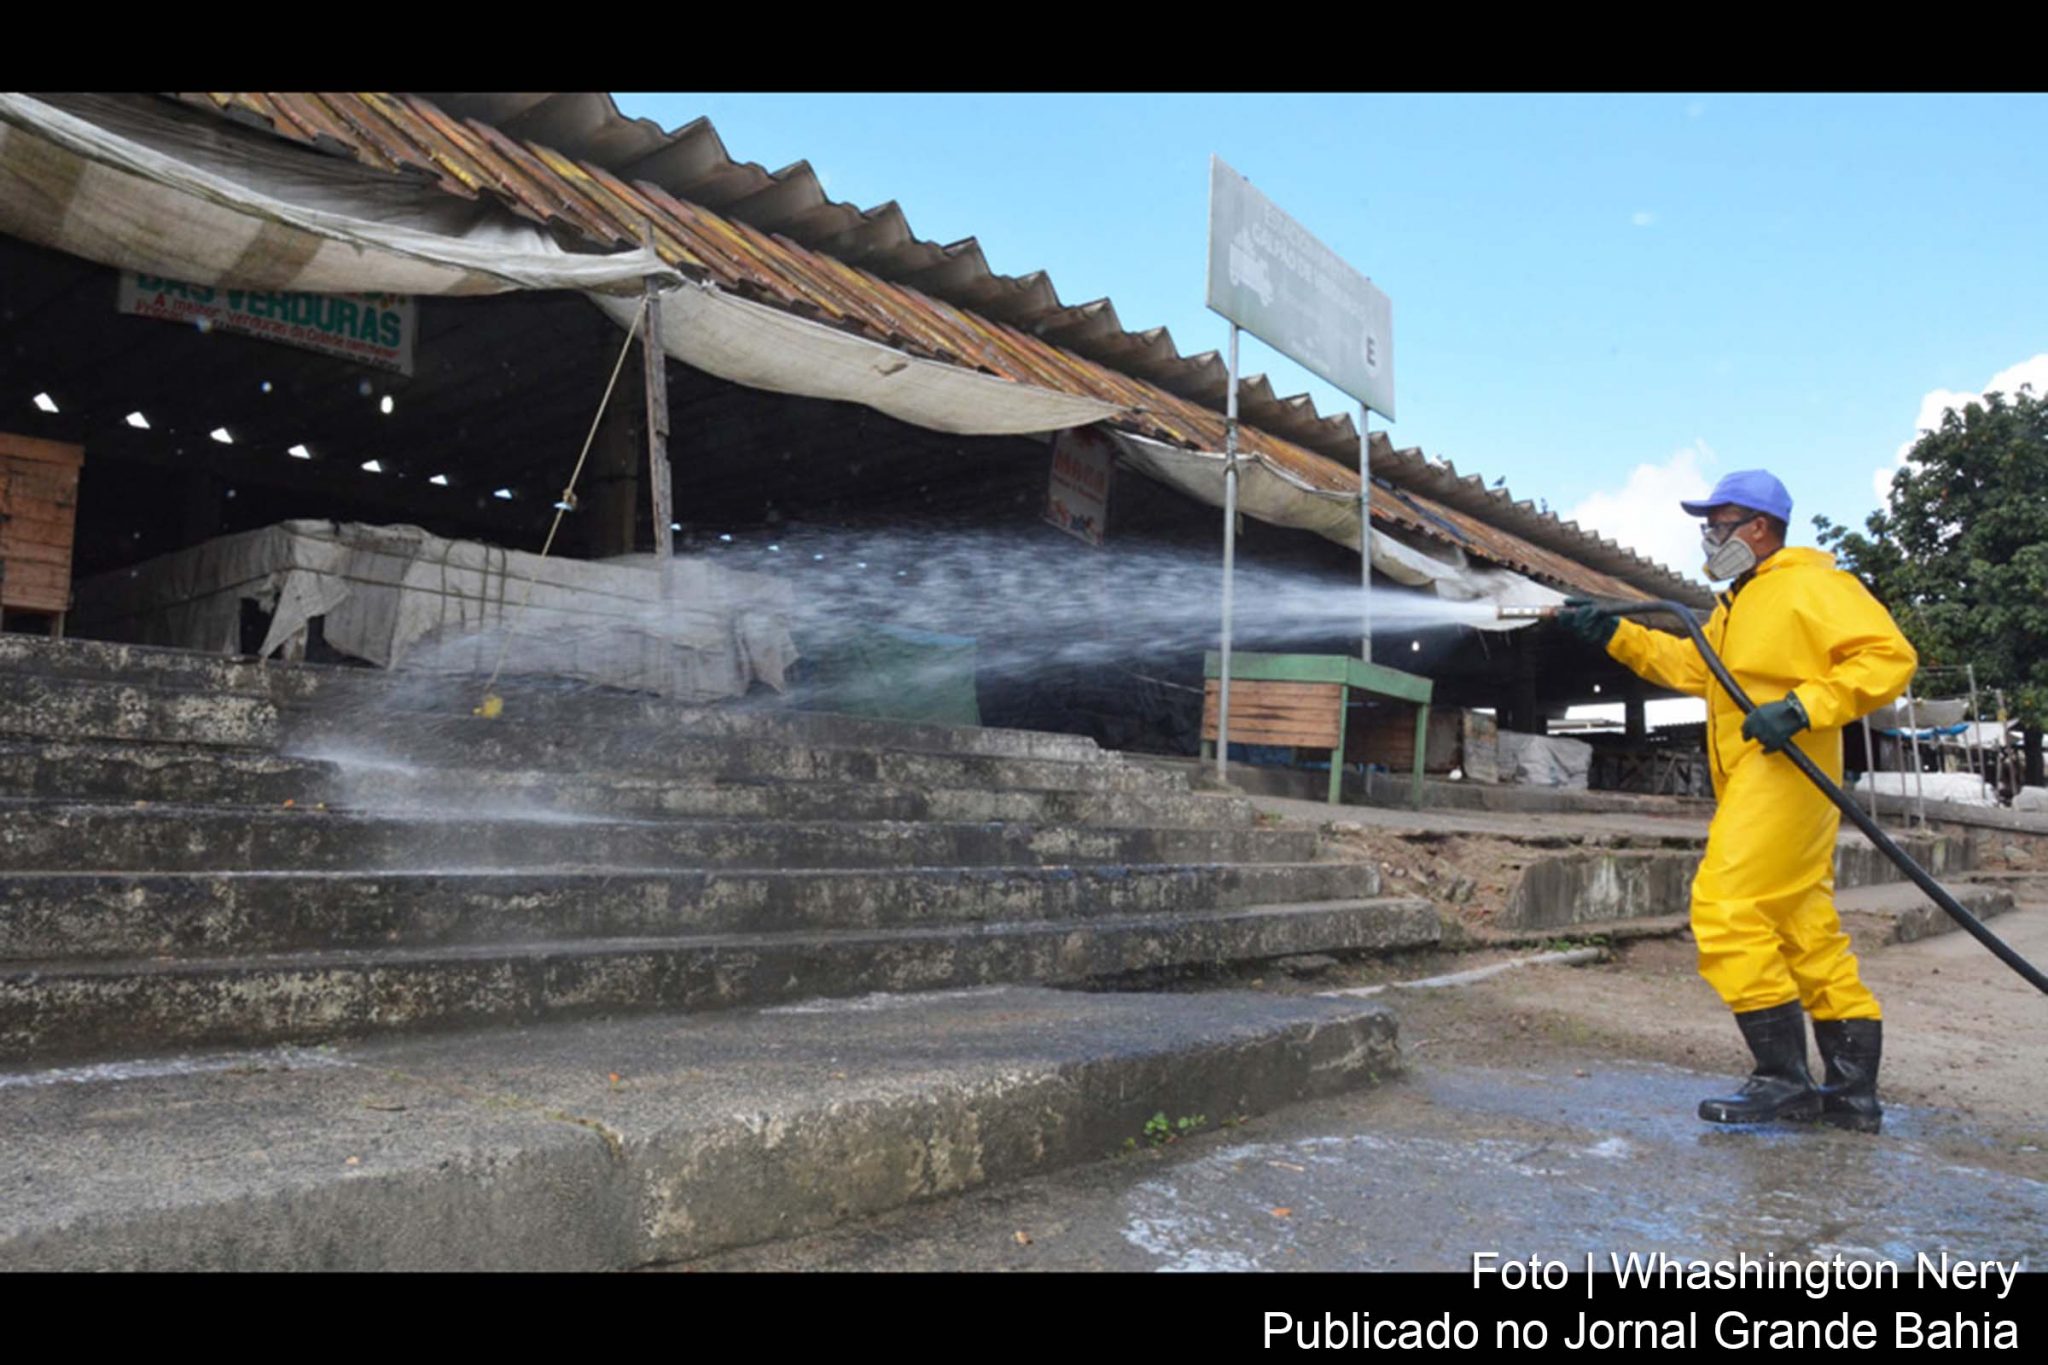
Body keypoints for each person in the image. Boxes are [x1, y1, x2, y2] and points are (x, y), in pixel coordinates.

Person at [1560, 470, 1917, 1133]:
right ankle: (1849, 1092)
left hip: (1786, 768)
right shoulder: (1736, 605)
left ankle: (1781, 1078)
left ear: (1758, 527)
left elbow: (1888, 657)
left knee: (1724, 906)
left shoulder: (1813, 583)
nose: (1709, 536)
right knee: (1803, 926)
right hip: (1761, 776)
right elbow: (1699, 671)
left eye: (1718, 524)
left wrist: (1803, 705)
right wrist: (1614, 635)